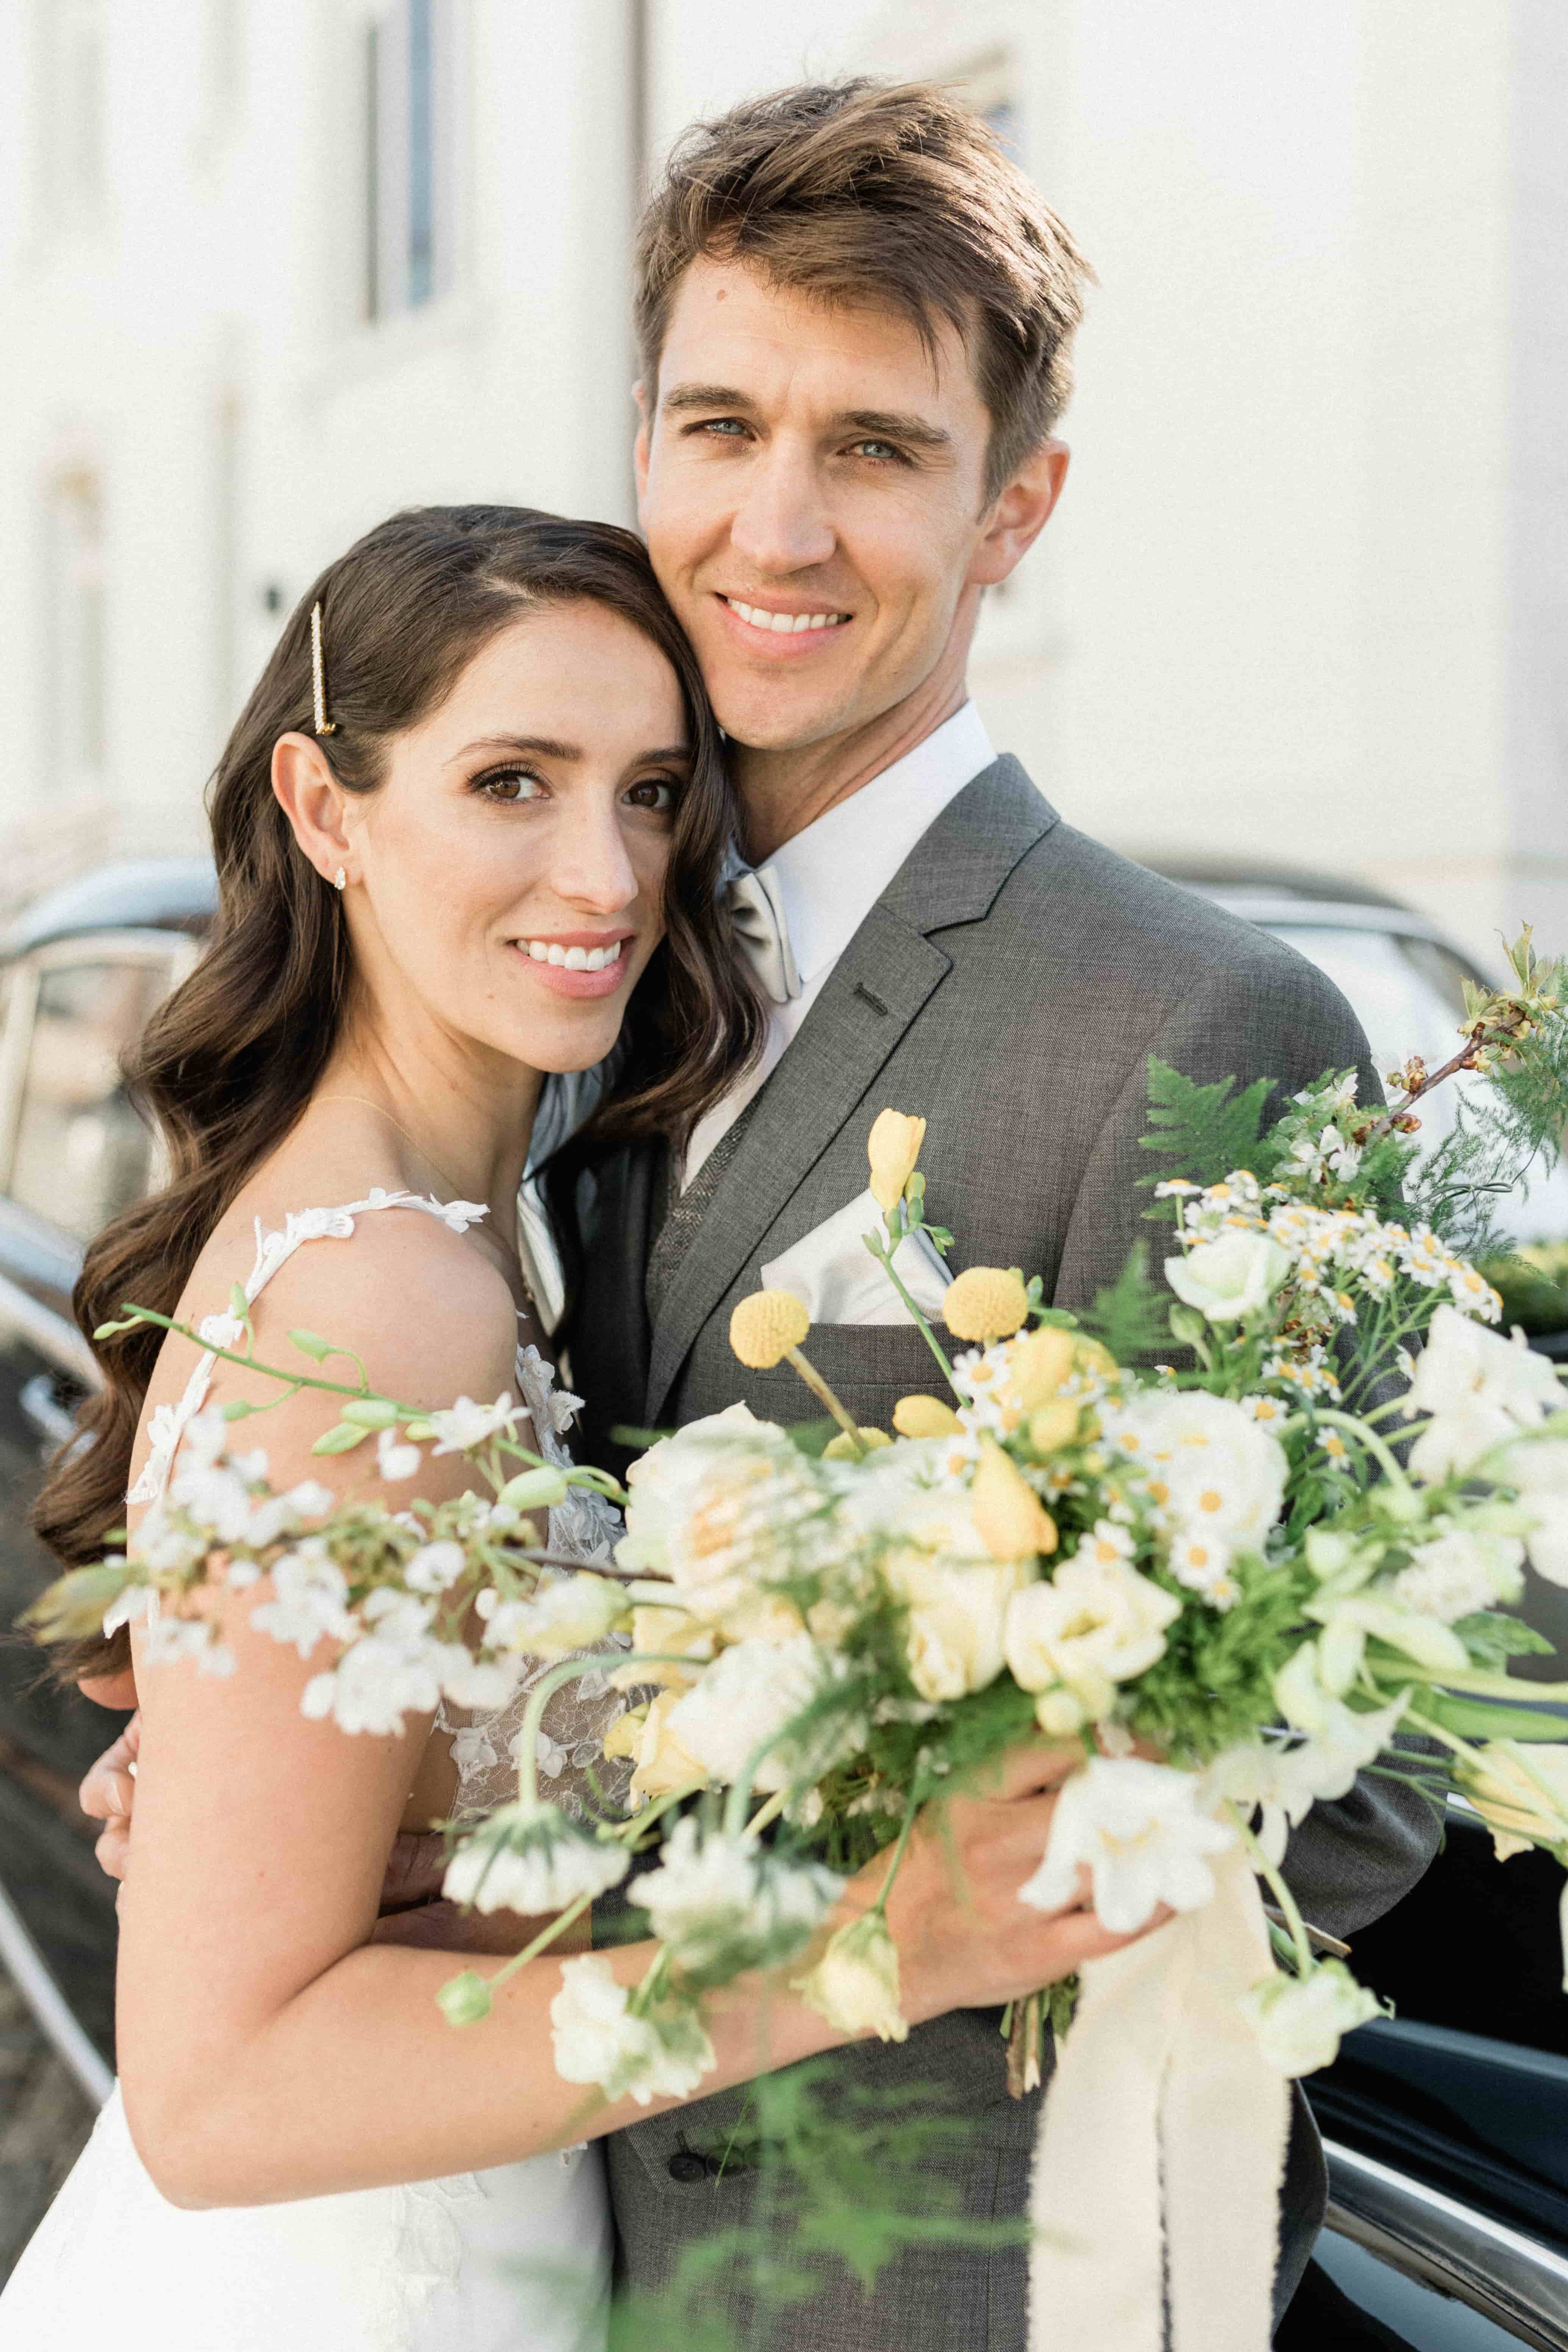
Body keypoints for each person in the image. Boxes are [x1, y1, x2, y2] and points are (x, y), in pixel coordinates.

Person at [3, 503, 1161, 2351]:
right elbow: (220, 2101)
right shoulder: (375, 1294)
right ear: (324, 810)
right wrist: (876, 1942)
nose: (608, 876)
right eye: (512, 783)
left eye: (649, 791)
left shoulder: (496, 1220)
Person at [548, 78, 1444, 2347]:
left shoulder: (1196, 1017)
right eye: (718, 423)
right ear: (640, 449)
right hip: (530, 2232)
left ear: (1013, 502)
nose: (774, 519)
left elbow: (1349, 1791)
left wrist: (928, 1785)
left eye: (872, 445)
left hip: (956, 2279)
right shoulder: (554, 958)